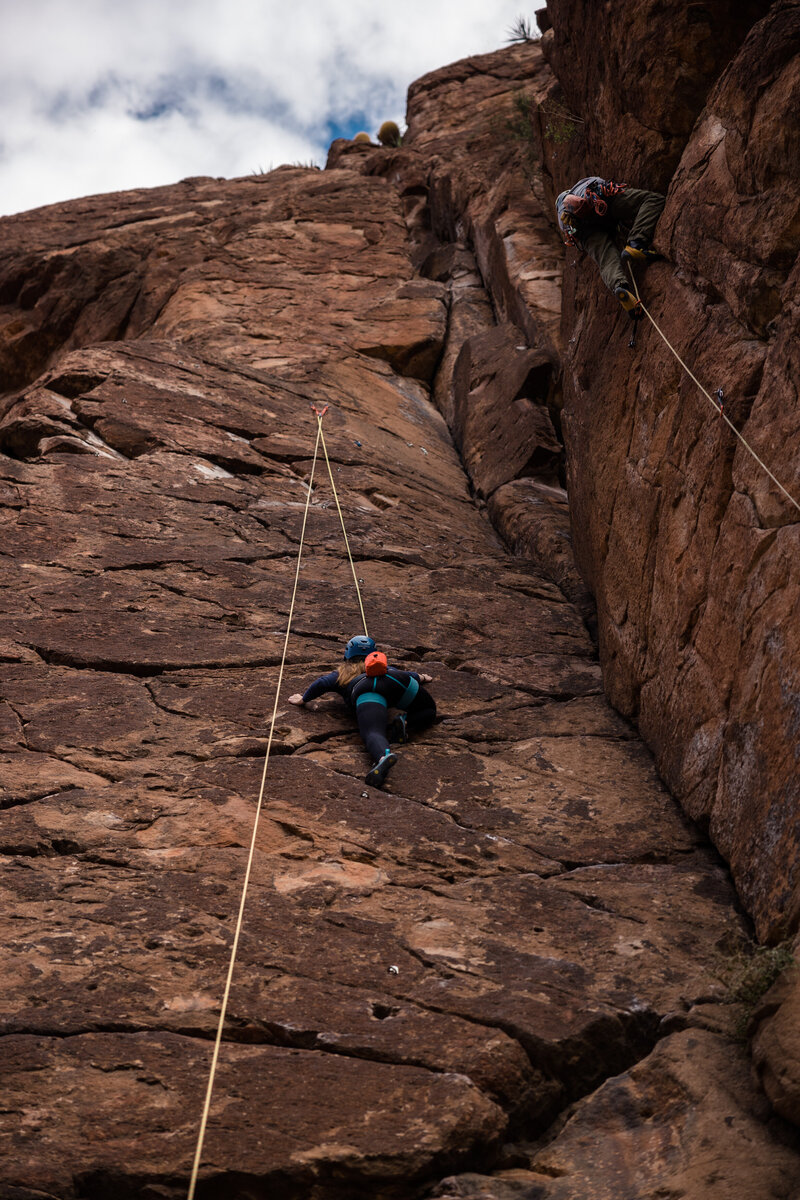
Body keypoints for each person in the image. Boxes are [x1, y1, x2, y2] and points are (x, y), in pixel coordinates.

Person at [287, 635, 436, 788]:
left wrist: (303, 699)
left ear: (347, 654)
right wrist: (422, 677)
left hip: (367, 691)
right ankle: (405, 721)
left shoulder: (342, 673)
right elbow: (411, 675)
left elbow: (321, 683)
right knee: (429, 710)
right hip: (396, 681)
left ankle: (383, 757)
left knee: (373, 732)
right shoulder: (386, 668)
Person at [556, 177, 665, 317]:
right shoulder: (581, 186)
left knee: (605, 258)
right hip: (599, 201)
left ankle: (619, 286)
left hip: (583, 231)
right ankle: (636, 243)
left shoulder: (564, 219)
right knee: (653, 200)